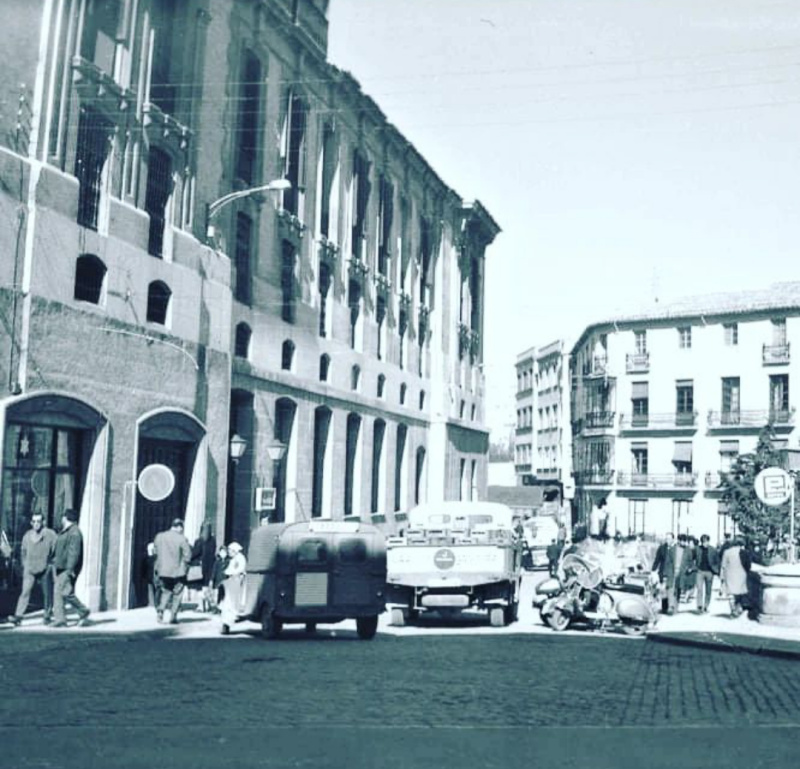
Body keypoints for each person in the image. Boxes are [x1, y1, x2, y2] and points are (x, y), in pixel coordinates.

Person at [9, 513, 57, 627]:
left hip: (45, 568)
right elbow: (23, 551)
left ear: (43, 522)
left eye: (38, 521)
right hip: (30, 569)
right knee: (25, 592)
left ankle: (47, 615)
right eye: (34, 521)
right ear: (31, 523)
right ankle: (18, 616)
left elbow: (56, 551)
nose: (36, 524)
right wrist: (25, 565)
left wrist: (51, 565)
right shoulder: (27, 536)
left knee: (47, 594)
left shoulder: (50, 535)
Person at [52, 509, 90, 628]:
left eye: (63, 517)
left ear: (65, 518)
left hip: (66, 568)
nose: (61, 519)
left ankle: (63, 619)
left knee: (61, 591)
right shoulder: (67, 531)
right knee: (65, 592)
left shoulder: (74, 532)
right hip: (61, 567)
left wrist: (70, 570)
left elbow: (74, 553)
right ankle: (77, 614)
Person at [153, 518, 192, 624]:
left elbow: (155, 551)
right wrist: (185, 564)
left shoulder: (159, 536)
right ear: (179, 527)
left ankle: (160, 611)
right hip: (178, 572)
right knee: (177, 594)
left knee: (165, 591)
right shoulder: (182, 539)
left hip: (163, 571)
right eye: (182, 528)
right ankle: (173, 616)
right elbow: (188, 555)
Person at [652, 533, 685, 615]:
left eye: (669, 539)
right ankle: (665, 607)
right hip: (663, 571)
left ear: (673, 539)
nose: (667, 540)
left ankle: (673, 606)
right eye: (666, 539)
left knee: (673, 590)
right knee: (664, 590)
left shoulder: (677, 549)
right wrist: (653, 570)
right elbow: (657, 559)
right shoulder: (662, 548)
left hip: (674, 572)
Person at [720, 536, 750, 618]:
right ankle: (738, 609)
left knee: (730, 594)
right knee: (739, 594)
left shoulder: (727, 552)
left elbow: (723, 565)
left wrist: (722, 577)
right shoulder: (744, 552)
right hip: (741, 575)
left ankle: (733, 610)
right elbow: (748, 565)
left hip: (729, 575)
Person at [190, 522, 217, 613]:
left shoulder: (199, 541)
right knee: (206, 586)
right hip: (210, 566)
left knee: (199, 587)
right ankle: (208, 605)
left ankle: (201, 606)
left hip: (200, 567)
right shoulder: (213, 541)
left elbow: (195, 553)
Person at [692, 534, 720, 613]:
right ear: (701, 542)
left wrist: (716, 570)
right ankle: (699, 605)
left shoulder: (713, 550)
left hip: (709, 572)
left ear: (709, 541)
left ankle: (706, 606)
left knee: (708, 590)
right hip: (699, 571)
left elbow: (717, 561)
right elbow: (691, 558)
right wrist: (693, 567)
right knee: (699, 589)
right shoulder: (697, 549)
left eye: (707, 541)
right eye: (704, 542)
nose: (705, 543)